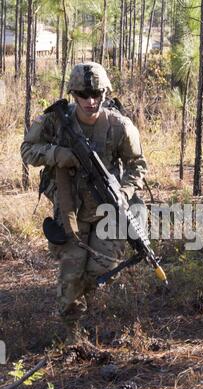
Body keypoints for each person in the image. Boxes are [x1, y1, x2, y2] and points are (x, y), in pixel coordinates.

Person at [21, 62, 147, 336]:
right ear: (72, 95)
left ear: (106, 92)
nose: (91, 101)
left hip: (108, 211)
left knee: (98, 271)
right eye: (83, 95)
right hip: (70, 209)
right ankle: (71, 336)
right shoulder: (55, 121)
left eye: (97, 95)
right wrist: (56, 154)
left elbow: (138, 165)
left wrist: (123, 193)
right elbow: (27, 150)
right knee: (71, 274)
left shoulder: (120, 127)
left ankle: (89, 315)